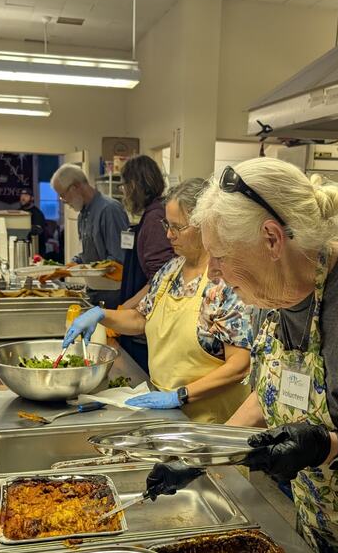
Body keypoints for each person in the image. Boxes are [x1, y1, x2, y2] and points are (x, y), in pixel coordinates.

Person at [146, 158, 338, 553]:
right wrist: (204, 454)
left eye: (220, 257)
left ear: (272, 239)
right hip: (323, 550)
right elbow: (270, 390)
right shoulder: (268, 294)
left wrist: (331, 447)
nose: (214, 274)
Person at [62, 179, 253, 424]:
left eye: (177, 227)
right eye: (167, 225)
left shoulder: (224, 281)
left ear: (204, 225)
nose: (168, 235)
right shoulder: (171, 270)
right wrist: (102, 315)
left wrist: (181, 395)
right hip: (168, 416)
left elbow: (240, 364)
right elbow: (141, 318)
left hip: (210, 422)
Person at [118, 154, 174, 371]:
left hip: (147, 327)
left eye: (124, 185)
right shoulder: (154, 213)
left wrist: (125, 309)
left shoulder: (154, 220)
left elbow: (161, 279)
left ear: (133, 185)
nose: (123, 191)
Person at [51, 163, 129, 306]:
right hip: (94, 291)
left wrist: (80, 270)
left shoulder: (109, 210)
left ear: (75, 187)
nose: (64, 201)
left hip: (113, 295)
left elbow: (118, 259)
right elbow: (87, 255)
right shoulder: (83, 214)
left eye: (62, 195)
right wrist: (66, 268)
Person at [19, 190, 46, 256]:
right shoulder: (18, 212)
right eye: (21, 195)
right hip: (20, 248)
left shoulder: (37, 213)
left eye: (26, 196)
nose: (23, 198)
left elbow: (38, 230)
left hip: (35, 250)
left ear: (32, 198)